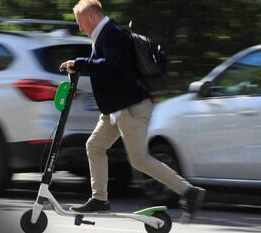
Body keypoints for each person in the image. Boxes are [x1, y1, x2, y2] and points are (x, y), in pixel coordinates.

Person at [59, 0, 205, 223]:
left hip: (131, 108)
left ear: (91, 17)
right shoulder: (106, 35)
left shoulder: (113, 34)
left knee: (139, 159)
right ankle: (99, 199)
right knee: (94, 146)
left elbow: (108, 65)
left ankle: (189, 191)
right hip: (116, 109)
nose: (80, 28)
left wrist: (78, 63)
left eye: (80, 22)